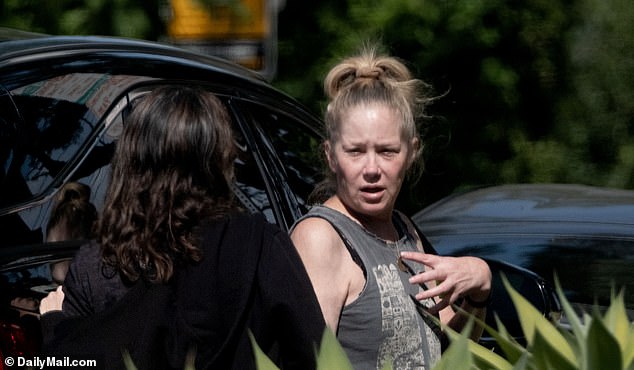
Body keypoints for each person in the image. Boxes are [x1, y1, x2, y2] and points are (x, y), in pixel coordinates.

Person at [39, 86, 326, 369]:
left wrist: (55, 328)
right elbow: (314, 353)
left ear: (130, 161)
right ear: (218, 161)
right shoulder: (257, 244)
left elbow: (81, 360)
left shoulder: (100, 265)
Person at [290, 45, 492, 370]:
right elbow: (310, 363)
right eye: (355, 151)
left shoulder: (403, 228)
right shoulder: (320, 238)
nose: (371, 169)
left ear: (411, 153)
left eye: (387, 151)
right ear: (330, 155)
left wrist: (479, 284)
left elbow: (453, 351)